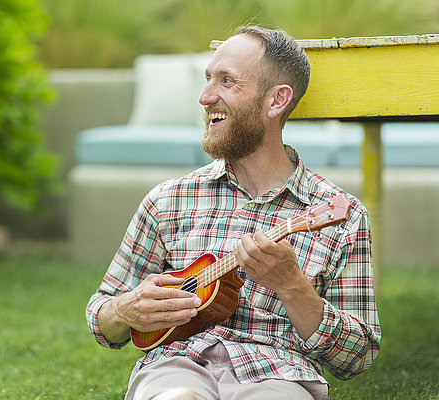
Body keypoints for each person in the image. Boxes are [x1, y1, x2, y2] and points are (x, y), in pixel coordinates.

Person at [86, 25, 381, 400]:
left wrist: (293, 287)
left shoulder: (343, 215)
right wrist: (127, 310)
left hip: (278, 374)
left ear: (276, 101)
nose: (205, 97)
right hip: (176, 364)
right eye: (208, 79)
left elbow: (358, 356)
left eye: (227, 82)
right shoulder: (168, 199)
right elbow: (101, 317)